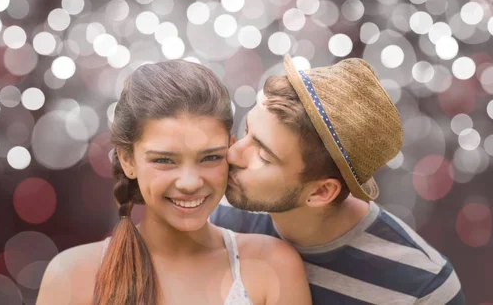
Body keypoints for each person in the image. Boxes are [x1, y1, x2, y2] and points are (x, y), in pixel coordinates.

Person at [36, 60, 312, 305]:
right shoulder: (71, 276)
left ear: (230, 147)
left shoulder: (273, 265)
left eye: (210, 157)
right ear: (128, 159)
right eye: (164, 161)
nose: (190, 182)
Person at [211, 55, 465, 304]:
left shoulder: (424, 288)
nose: (232, 154)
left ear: (321, 192)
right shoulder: (217, 215)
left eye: (264, 155)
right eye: (246, 131)